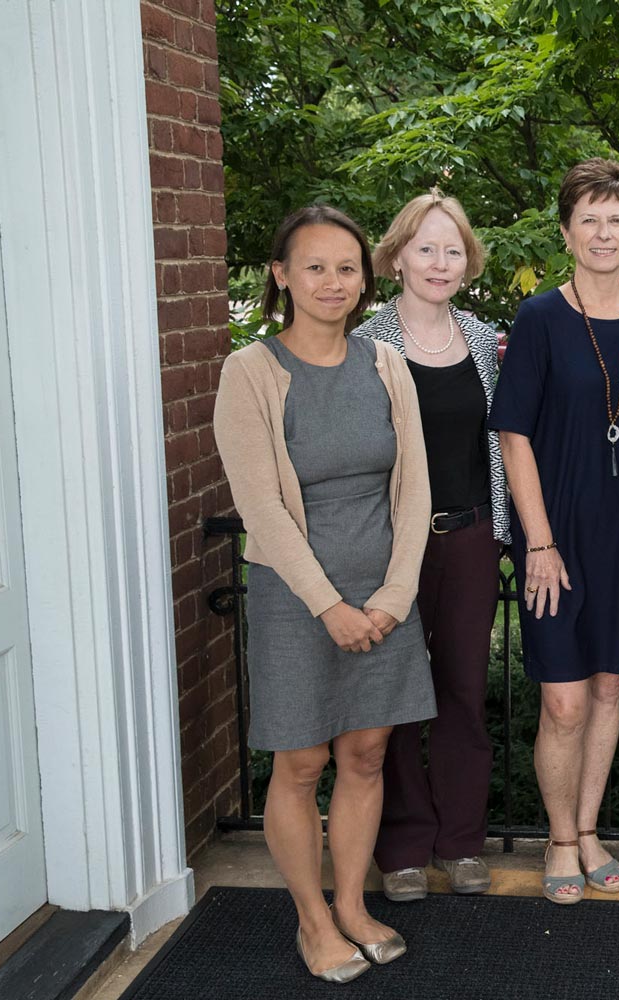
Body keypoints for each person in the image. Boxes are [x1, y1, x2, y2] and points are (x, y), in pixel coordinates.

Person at [214, 205, 433, 981]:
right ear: (281, 276)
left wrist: (391, 597)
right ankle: (312, 919)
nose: (333, 282)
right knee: (302, 762)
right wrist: (330, 606)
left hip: (382, 598)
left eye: (346, 267)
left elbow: (414, 493)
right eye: (314, 267)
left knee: (367, 754)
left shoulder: (386, 365)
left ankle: (350, 903)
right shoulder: (251, 372)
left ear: (365, 278)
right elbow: (261, 507)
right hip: (294, 598)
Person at [488, 159, 619, 904]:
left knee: (606, 688)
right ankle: (559, 838)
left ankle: (591, 828)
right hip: (556, 531)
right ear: (566, 231)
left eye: (617, 219)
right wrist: (537, 542)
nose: (604, 233)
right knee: (562, 699)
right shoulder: (539, 318)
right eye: (589, 219)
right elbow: (513, 436)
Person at [351, 189, 510, 901]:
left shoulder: (483, 341)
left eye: (452, 249)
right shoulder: (365, 344)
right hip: (390, 551)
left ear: (467, 260)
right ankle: (405, 847)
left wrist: (503, 532)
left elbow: (502, 442)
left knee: (463, 695)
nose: (439, 261)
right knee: (393, 699)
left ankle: (461, 842)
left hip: (469, 538)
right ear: (397, 256)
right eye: (425, 247)